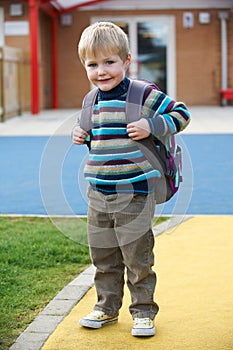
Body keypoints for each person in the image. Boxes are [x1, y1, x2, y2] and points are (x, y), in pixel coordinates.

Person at [72, 21, 190, 337]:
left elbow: (181, 114)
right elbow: (100, 139)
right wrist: (82, 134)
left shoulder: (143, 93)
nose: (101, 71)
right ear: (85, 66)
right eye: (92, 64)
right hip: (98, 192)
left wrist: (152, 126)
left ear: (126, 61)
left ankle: (142, 312)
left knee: (137, 258)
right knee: (104, 257)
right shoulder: (91, 100)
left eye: (109, 62)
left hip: (134, 193)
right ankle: (107, 308)